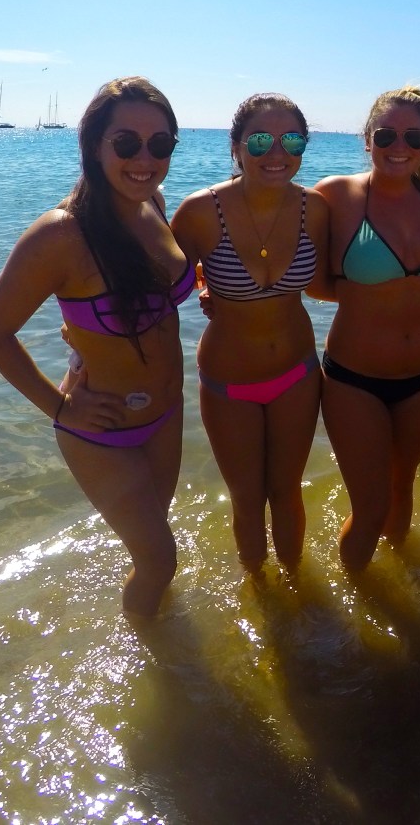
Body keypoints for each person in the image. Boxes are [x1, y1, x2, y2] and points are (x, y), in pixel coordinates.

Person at [0, 78, 190, 617]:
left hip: (167, 414)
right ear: (94, 145)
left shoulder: (153, 203)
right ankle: (149, 655)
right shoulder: (60, 234)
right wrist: (61, 406)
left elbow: (155, 300)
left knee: (153, 542)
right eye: (126, 143)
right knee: (161, 560)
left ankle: (160, 624)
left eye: (160, 144)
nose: (145, 159)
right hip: (103, 430)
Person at [171, 95, 329, 574]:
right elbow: (160, 290)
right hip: (228, 381)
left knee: (287, 492)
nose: (276, 153)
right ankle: (258, 591)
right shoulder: (200, 212)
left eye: (292, 140)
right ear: (237, 147)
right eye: (260, 140)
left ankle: (296, 589)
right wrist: (83, 341)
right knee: (245, 498)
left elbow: (330, 283)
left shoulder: (316, 210)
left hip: (297, 372)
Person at [314, 87, 420, 570]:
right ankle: (356, 608)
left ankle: (400, 587)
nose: (400, 146)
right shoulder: (336, 195)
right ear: (367, 139)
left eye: (413, 136)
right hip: (355, 379)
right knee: (370, 507)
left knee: (402, 488)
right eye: (386, 135)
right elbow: (301, 268)